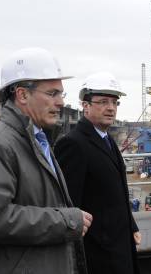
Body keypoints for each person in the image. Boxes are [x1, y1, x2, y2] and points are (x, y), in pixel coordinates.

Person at [0, 47, 90, 274]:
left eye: (61, 94)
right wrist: (66, 221)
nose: (60, 103)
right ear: (22, 95)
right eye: (52, 93)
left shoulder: (36, 140)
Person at [55, 71, 141, 274]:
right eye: (103, 102)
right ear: (85, 105)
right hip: (98, 252)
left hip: (119, 242)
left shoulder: (107, 139)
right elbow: (68, 203)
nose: (110, 108)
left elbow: (116, 192)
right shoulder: (73, 144)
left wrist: (132, 225)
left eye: (114, 102)